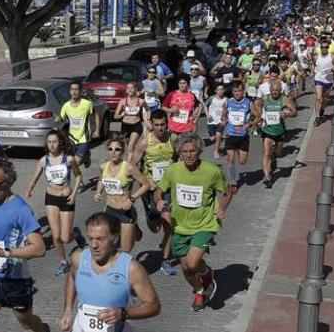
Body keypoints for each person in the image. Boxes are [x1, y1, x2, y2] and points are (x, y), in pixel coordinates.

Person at [154, 133, 234, 311]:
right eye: (185, 152)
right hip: (180, 226)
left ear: (199, 151)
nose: (189, 155)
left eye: (192, 151)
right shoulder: (173, 170)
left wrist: (223, 207)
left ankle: (205, 273)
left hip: (205, 224)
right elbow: (159, 190)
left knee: (192, 263)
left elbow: (227, 190)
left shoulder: (212, 171)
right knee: (186, 268)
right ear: (179, 153)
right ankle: (199, 290)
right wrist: (158, 200)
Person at [0, 157, 46, 332]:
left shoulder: (21, 210)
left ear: (9, 181)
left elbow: (39, 248)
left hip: (16, 280)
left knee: (27, 323)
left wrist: (5, 252)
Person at [58, 212, 161, 332]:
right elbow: (72, 277)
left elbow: (154, 306)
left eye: (100, 239)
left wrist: (123, 313)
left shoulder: (131, 268)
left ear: (115, 238)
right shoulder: (79, 258)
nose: (94, 245)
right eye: (90, 239)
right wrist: (68, 309)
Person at [25, 130, 83, 276]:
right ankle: (63, 262)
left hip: (67, 198)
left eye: (55, 142)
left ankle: (75, 234)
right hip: (51, 198)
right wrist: (30, 188)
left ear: (60, 143)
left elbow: (78, 176)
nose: (52, 145)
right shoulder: (44, 161)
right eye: (49, 142)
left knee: (65, 237)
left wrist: (74, 193)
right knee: (56, 236)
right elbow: (36, 176)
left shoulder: (69, 159)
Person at [130, 109, 176, 275]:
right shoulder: (144, 143)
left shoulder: (173, 138)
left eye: (163, 124)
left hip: (167, 189)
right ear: (152, 125)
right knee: (155, 228)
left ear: (167, 123)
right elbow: (132, 166)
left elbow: (179, 160)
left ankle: (165, 260)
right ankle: (137, 225)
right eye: (156, 125)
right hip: (150, 190)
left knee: (168, 222)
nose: (160, 128)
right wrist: (144, 183)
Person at [94, 137, 149, 253]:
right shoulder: (103, 167)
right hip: (109, 210)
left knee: (125, 250)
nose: (113, 152)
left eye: (117, 149)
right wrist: (98, 192)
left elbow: (145, 184)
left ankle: (133, 228)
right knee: (109, 246)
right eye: (110, 149)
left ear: (122, 151)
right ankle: (134, 228)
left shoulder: (129, 168)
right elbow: (101, 180)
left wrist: (132, 199)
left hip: (125, 211)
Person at [257, 81, 297, 188]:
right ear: (270, 90)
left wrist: (286, 114)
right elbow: (256, 104)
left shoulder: (284, 99)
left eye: (277, 90)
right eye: (273, 90)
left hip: (280, 131)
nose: (275, 92)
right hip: (268, 131)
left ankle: (274, 158)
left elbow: (295, 112)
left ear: (280, 91)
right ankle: (267, 176)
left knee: (278, 153)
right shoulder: (265, 98)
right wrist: (260, 116)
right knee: (266, 153)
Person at [57, 81, 101, 168]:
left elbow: (96, 115)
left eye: (76, 89)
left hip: (84, 138)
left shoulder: (87, 104)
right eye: (72, 89)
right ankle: (86, 157)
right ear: (69, 91)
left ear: (80, 91)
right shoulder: (66, 106)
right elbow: (61, 118)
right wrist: (58, 119)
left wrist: (97, 130)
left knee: (75, 162)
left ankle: (83, 160)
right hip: (71, 139)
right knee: (73, 162)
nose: (74, 92)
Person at [222, 81, 258, 189]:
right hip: (230, 134)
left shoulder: (248, 103)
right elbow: (223, 116)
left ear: (243, 92)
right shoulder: (228, 102)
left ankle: (238, 150)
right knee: (230, 159)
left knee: (242, 161)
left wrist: (250, 124)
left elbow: (258, 116)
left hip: (243, 136)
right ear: (232, 92)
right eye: (235, 91)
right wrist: (224, 121)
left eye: (239, 91)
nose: (237, 93)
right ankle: (233, 181)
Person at [161, 75, 201, 142]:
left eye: (184, 83)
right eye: (180, 83)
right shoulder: (172, 94)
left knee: (184, 146)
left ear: (188, 84)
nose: (182, 85)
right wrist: (170, 110)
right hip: (174, 125)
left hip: (187, 126)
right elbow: (163, 107)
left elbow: (198, 106)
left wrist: (195, 114)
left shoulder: (192, 95)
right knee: (174, 142)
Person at [114, 82, 148, 157]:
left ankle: (129, 166)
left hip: (136, 125)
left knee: (130, 148)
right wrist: (121, 115)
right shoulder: (122, 101)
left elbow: (148, 110)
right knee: (129, 147)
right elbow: (115, 116)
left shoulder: (141, 101)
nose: (129, 90)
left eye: (131, 88)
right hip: (125, 126)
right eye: (128, 88)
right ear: (126, 90)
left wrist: (147, 119)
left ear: (135, 90)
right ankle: (139, 158)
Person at [312, 40, 334, 126]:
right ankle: (317, 117)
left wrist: (332, 70)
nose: (324, 49)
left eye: (326, 47)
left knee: (325, 99)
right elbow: (313, 64)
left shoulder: (332, 57)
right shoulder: (316, 57)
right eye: (322, 47)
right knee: (319, 97)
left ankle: (322, 110)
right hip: (319, 78)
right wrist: (313, 70)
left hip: (328, 79)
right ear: (320, 48)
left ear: (328, 48)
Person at [204, 84, 227, 159]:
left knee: (218, 134)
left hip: (221, 121)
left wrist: (226, 119)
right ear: (215, 91)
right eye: (218, 89)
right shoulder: (211, 98)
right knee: (212, 138)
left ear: (224, 90)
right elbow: (205, 105)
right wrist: (207, 114)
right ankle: (216, 139)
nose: (220, 91)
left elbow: (228, 110)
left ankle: (216, 151)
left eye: (222, 89)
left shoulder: (226, 99)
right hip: (211, 120)